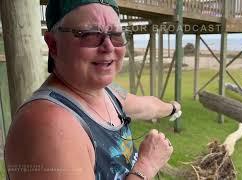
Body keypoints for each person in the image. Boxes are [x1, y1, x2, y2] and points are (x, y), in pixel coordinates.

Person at [4, 0, 181, 179]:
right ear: (53, 45)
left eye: (116, 35)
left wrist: (172, 108)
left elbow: (147, 106)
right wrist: (147, 165)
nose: (109, 47)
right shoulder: (48, 125)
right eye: (90, 35)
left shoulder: (108, 93)